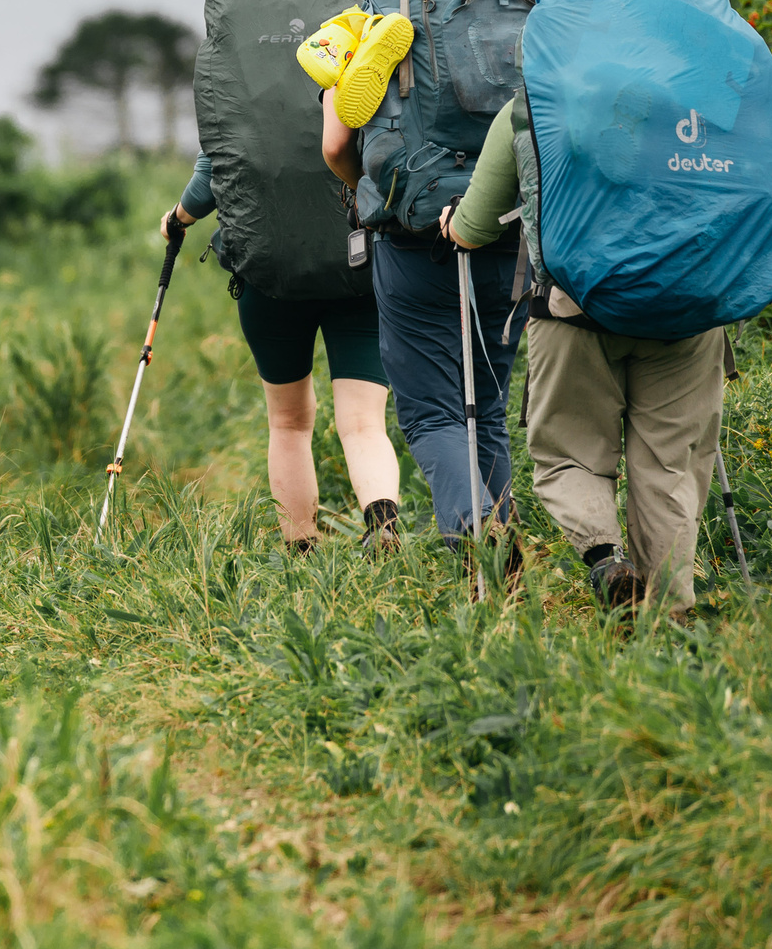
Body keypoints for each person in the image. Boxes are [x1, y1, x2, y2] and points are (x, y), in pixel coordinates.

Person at [441, 98, 728, 615]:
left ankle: (607, 561)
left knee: (567, 456)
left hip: (574, 310)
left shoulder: (531, 105)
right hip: (686, 308)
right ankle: (670, 617)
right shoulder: (690, 94)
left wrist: (451, 224)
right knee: (669, 468)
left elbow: (474, 229)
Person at [160, 166, 402, 549]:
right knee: (363, 421)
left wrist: (177, 218)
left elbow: (212, 171)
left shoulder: (235, 101)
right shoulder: (354, 100)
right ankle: (382, 524)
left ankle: (301, 547)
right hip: (357, 265)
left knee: (288, 422)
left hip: (269, 274)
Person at [323, 90, 522, 553]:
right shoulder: (527, 15)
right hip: (508, 231)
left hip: (415, 238)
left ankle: (477, 532)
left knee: (434, 413)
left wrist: (375, 197)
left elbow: (335, 146)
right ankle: (503, 555)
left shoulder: (368, 24)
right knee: (488, 406)